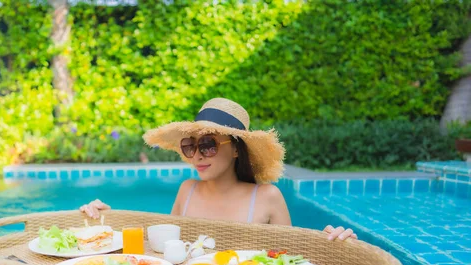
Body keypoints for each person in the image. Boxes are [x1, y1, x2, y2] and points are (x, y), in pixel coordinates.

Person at [80, 98, 357, 241]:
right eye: (190, 146)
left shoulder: (267, 197)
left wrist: (332, 242)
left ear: (236, 148)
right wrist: (108, 219)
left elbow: (292, 258)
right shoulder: (186, 190)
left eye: (209, 145)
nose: (197, 155)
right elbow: (159, 244)